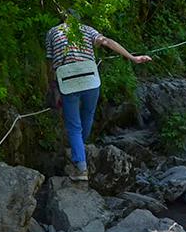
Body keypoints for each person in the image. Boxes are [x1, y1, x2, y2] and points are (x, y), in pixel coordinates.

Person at [46, 10, 152, 181]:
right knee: (87, 116)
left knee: (73, 126)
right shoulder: (87, 30)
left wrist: (55, 88)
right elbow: (106, 41)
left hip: (67, 79)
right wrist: (132, 57)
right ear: (78, 19)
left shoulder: (52, 32)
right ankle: (79, 150)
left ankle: (80, 167)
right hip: (89, 77)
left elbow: (51, 63)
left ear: (63, 19)